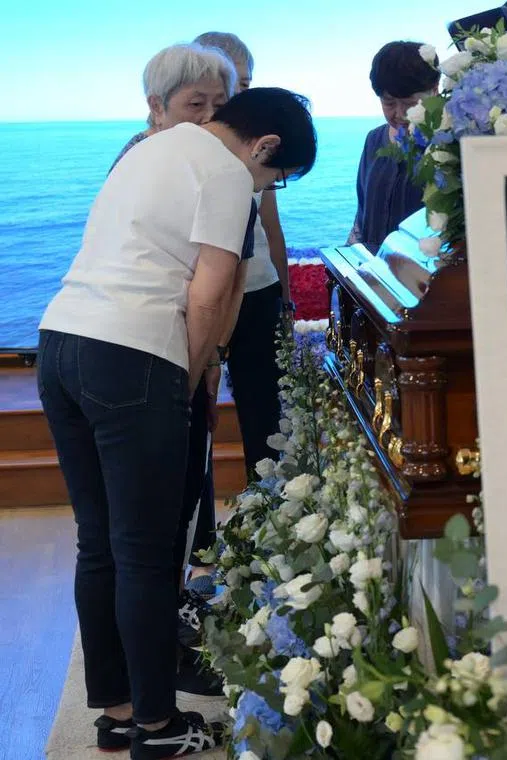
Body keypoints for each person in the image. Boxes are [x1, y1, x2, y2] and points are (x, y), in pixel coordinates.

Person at [38, 86, 316, 758]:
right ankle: (159, 730)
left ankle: (117, 711)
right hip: (133, 355)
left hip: (60, 341)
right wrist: (188, 380)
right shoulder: (225, 173)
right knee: (146, 551)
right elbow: (211, 289)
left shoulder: (149, 148)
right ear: (265, 146)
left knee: (99, 543)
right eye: (272, 177)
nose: (264, 186)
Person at [107, 41, 243, 663]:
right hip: (152, 353)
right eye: (196, 104)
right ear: (156, 108)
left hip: (169, 348)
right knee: (157, 509)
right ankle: (163, 638)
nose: (210, 118)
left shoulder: (201, 158)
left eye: (220, 104)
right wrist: (194, 373)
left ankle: (174, 603)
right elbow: (202, 283)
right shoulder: (151, 159)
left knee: (188, 480)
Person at [195, 32, 294, 485]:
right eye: (233, 86)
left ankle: (269, 511)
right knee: (198, 417)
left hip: (257, 292)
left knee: (265, 416)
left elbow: (271, 228)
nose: (241, 96)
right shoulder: (182, 149)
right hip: (204, 297)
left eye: (246, 84)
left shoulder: (259, 146)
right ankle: (200, 536)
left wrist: (287, 300)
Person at [347, 41, 440, 246]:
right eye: (388, 103)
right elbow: (362, 216)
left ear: (435, 90)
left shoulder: (449, 144)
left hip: (428, 272)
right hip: (376, 270)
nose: (398, 114)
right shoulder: (374, 140)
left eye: (409, 104)